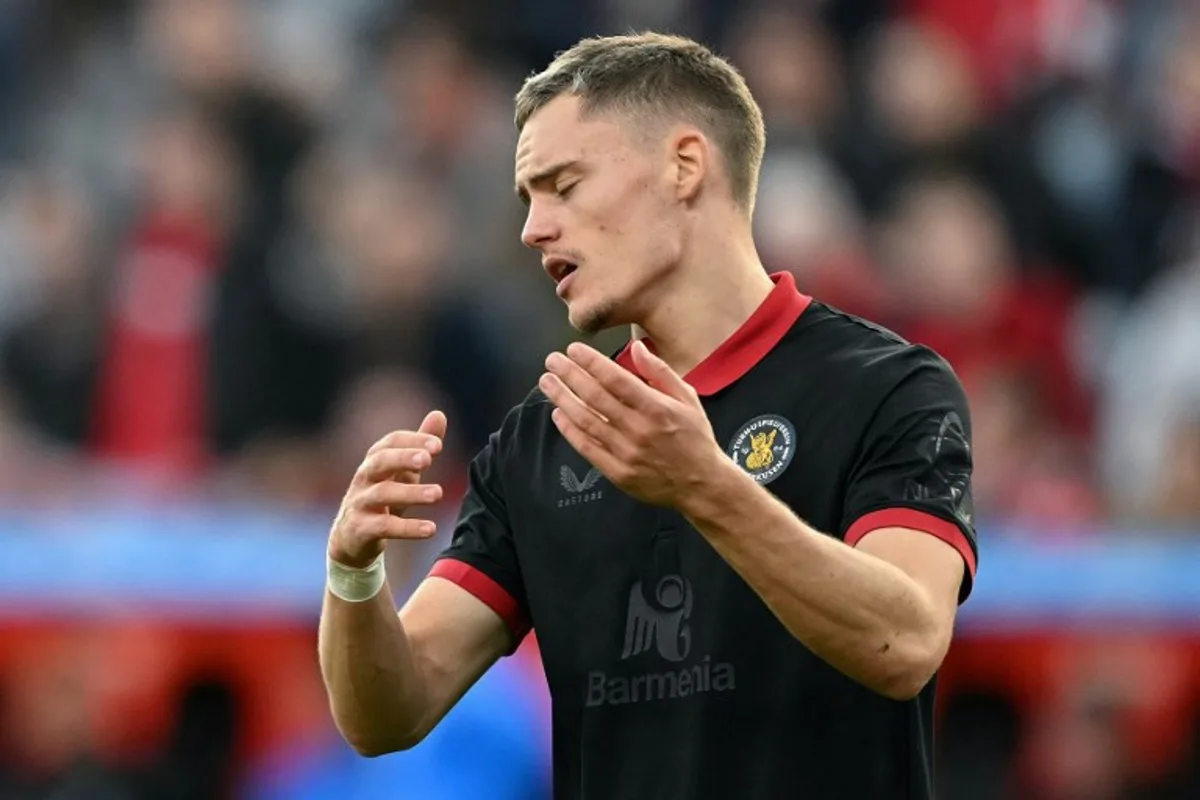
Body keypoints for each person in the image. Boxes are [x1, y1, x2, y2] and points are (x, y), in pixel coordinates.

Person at [319, 31, 978, 799]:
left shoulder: (889, 388)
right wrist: (353, 574)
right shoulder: (545, 436)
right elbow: (387, 715)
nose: (534, 228)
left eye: (563, 185)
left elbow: (906, 641)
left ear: (685, 166)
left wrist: (703, 485)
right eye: (527, 199)